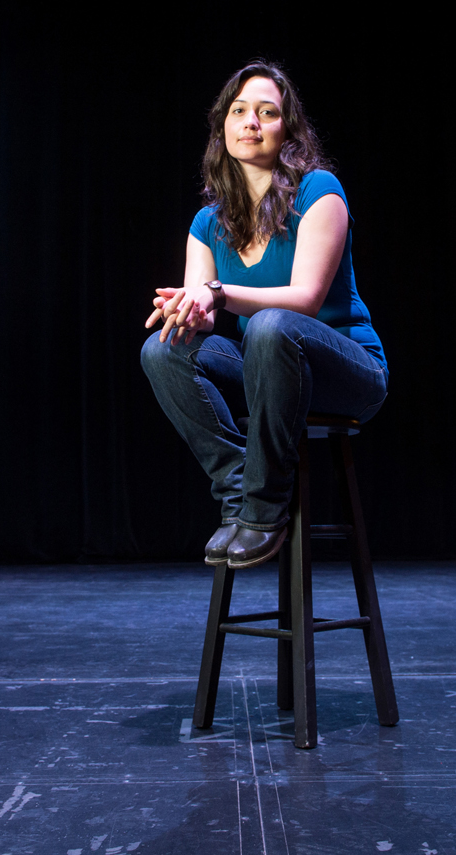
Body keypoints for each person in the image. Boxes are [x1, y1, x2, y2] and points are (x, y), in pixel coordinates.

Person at [140, 60, 388, 569]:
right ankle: (239, 491)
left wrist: (216, 293)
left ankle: (265, 505)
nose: (250, 121)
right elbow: (206, 310)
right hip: (266, 371)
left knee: (273, 325)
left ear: (287, 129)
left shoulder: (319, 192)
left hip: (346, 373)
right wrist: (186, 312)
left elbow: (306, 299)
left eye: (267, 112)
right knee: (163, 350)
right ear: (223, 127)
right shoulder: (207, 223)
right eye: (239, 111)